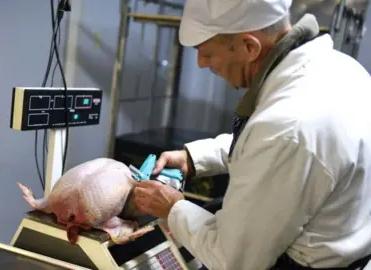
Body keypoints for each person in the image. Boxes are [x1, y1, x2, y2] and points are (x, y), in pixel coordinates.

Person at [132, 0, 371, 269]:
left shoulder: (287, 125)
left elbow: (233, 259)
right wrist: (194, 157)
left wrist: (172, 207)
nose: (200, 64)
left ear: (249, 47)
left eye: (207, 53)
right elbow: (271, 149)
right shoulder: (342, 68)